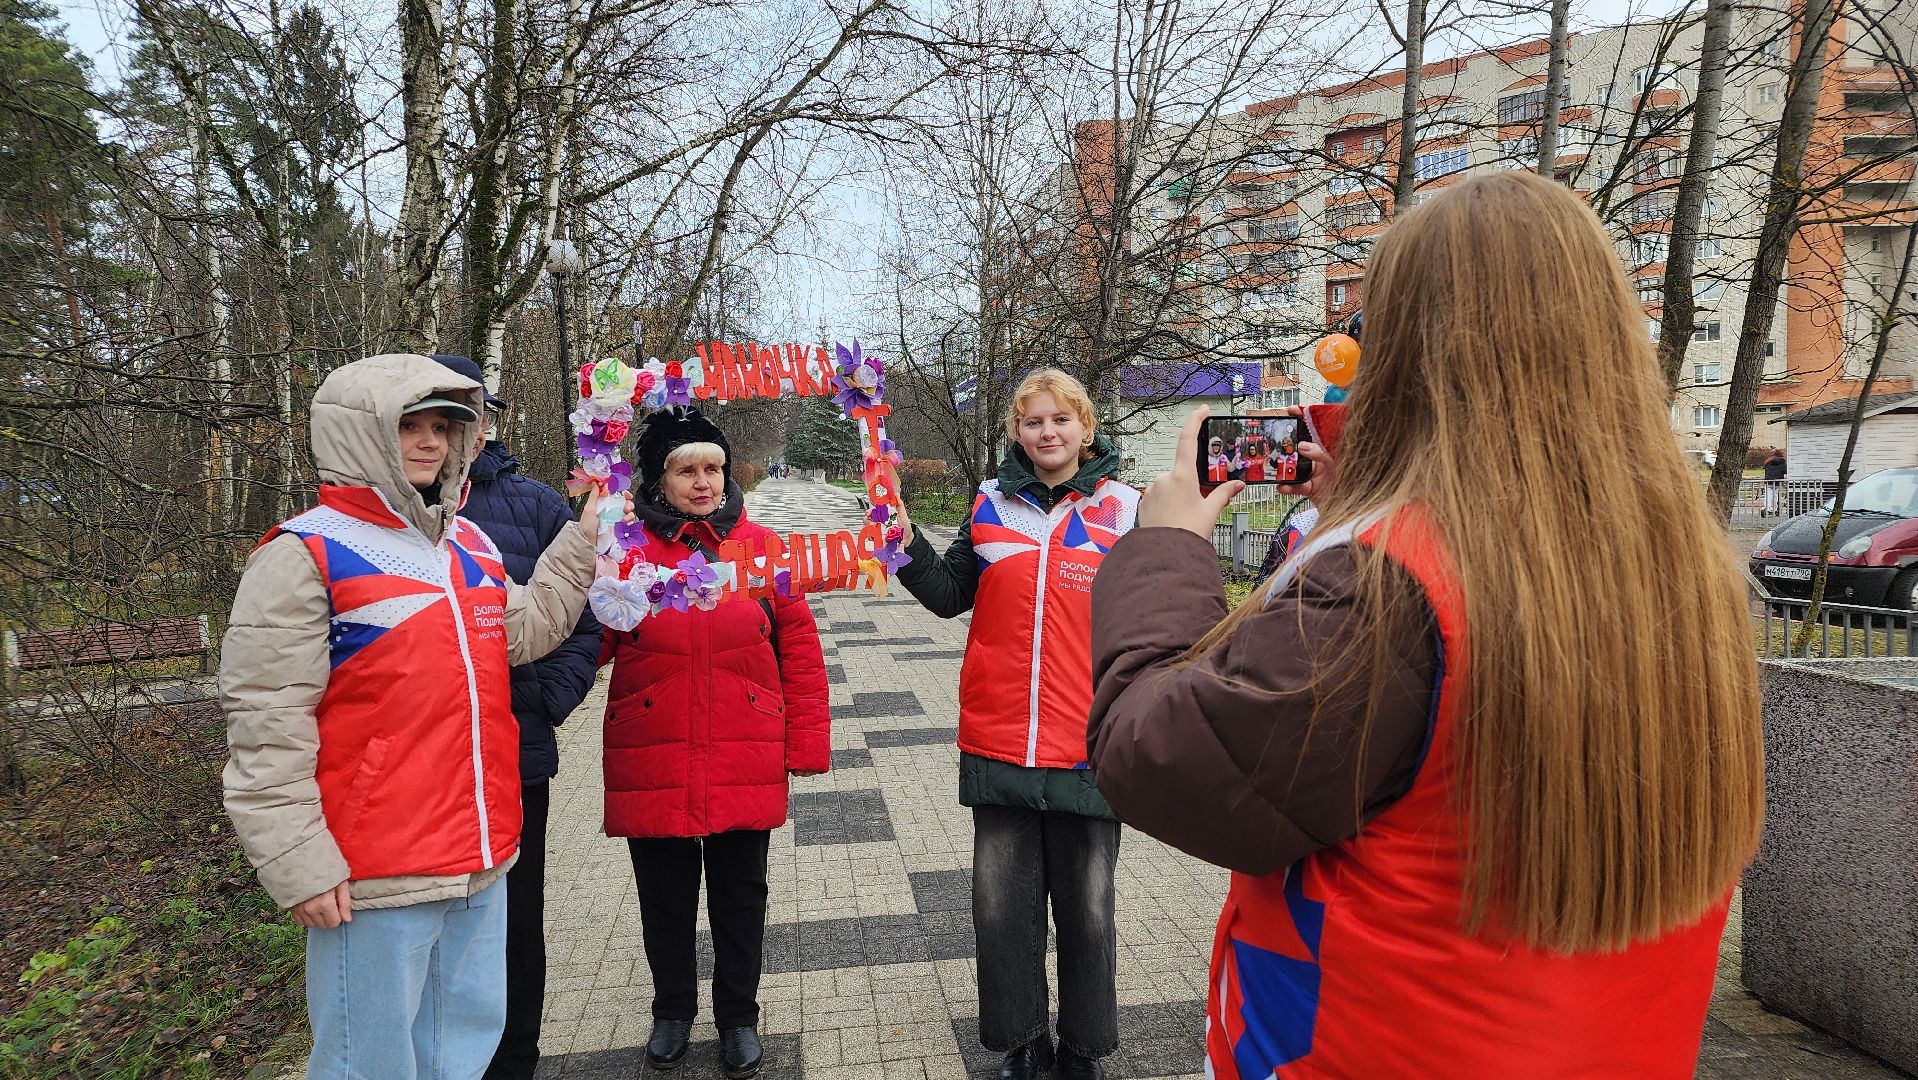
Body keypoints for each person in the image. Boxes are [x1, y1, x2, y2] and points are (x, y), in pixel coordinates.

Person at [1084, 172, 1763, 1079]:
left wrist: (1164, 551)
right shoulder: (1681, 566)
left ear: (1409, 347)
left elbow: (1156, 755)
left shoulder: (1388, 590)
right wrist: (1357, 513)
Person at [220, 353, 607, 1080]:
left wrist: (582, 538)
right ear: (360, 433)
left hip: (482, 857)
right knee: (366, 1063)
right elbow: (266, 725)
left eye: (444, 427)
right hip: (375, 871)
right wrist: (298, 862)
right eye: (410, 426)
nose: (431, 442)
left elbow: (525, 634)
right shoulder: (305, 554)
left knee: (459, 1053)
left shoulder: (470, 546)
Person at [892, 368, 1137, 1080]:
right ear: (1016, 433)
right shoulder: (990, 506)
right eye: (1032, 422)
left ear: (1085, 427)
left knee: (1088, 915)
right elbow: (947, 596)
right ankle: (1021, 1042)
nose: (1047, 432)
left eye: (1060, 419)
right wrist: (903, 541)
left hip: (1090, 746)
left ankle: (1083, 1050)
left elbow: (1155, 616)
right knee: (1002, 914)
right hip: (1000, 740)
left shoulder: (1125, 509)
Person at [599, 408, 830, 1080]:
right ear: (660, 479)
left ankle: (738, 1017)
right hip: (656, 745)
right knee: (663, 895)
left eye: (713, 468)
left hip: (742, 744)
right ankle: (672, 1010)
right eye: (686, 469)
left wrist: (805, 743)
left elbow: (801, 650)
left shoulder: (759, 548)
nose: (703, 482)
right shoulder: (627, 552)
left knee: (739, 895)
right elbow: (594, 641)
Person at [423, 356, 603, 1080]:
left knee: (513, 920)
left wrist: (542, 700)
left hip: (513, 752)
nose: (439, 438)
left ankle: (515, 1062)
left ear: (485, 425)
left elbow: (582, 613)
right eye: (423, 419)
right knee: (425, 930)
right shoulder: (374, 517)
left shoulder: (533, 507)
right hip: (416, 769)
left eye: (457, 419)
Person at [1763, 448, 1787, 517]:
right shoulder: (1782, 461)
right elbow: (1785, 471)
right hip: (1778, 481)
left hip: (1769, 480)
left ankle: (1768, 508)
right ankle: (1775, 508)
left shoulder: (1768, 461)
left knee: (1768, 494)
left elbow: (1765, 468)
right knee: (1776, 494)